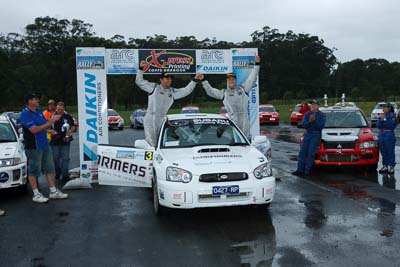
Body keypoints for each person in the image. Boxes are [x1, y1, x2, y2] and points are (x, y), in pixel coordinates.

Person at [20, 93, 68, 203]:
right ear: (29, 101)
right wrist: (50, 122)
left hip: (45, 144)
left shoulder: (38, 112)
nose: (37, 100)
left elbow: (42, 126)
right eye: (35, 99)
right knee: (34, 170)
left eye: (37, 98)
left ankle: (53, 191)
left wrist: (49, 129)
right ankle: (36, 194)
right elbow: (34, 130)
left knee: (50, 168)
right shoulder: (25, 114)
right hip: (34, 146)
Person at [135, 61, 198, 146]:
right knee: (152, 144)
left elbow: (186, 91)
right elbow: (139, 81)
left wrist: (194, 80)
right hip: (151, 118)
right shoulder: (154, 87)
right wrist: (140, 69)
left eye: (170, 78)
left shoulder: (172, 91)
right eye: (167, 78)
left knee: (161, 144)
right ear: (161, 80)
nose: (169, 80)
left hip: (162, 119)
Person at [198, 56, 261, 138]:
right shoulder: (224, 93)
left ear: (236, 80)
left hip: (244, 121)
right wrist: (204, 81)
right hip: (232, 121)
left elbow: (252, 78)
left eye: (233, 79)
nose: (231, 81)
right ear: (227, 81)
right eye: (229, 79)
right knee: (232, 142)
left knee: (244, 143)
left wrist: (257, 64)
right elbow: (211, 91)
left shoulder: (243, 89)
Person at [292, 99, 326, 177]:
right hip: (307, 134)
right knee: (302, 153)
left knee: (311, 153)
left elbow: (320, 127)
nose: (313, 105)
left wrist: (314, 121)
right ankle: (299, 170)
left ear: (318, 106)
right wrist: (309, 122)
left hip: (315, 135)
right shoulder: (307, 114)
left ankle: (306, 171)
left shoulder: (322, 115)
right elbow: (304, 124)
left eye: (315, 104)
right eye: (312, 104)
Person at [50, 102, 76, 180]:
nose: (59, 110)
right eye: (58, 109)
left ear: (64, 109)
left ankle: (65, 175)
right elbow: (46, 127)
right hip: (55, 141)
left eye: (61, 109)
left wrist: (70, 131)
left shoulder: (68, 116)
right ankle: (57, 172)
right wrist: (51, 131)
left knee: (65, 158)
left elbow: (73, 126)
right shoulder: (52, 116)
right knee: (55, 158)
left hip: (65, 140)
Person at [377, 102, 397, 174]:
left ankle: (391, 166)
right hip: (381, 135)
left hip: (389, 135)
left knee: (390, 151)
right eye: (382, 107)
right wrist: (382, 120)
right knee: (383, 151)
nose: (383, 108)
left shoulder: (392, 116)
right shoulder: (382, 115)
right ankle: (385, 166)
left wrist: (384, 120)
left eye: (384, 107)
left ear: (389, 108)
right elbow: (378, 125)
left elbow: (391, 125)